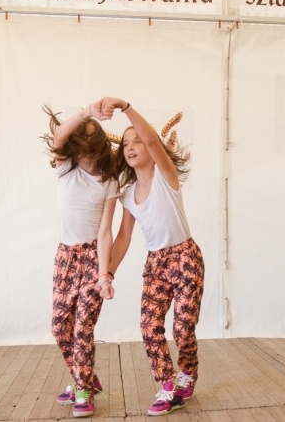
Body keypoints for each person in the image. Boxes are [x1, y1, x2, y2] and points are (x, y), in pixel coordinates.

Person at [101, 97, 204, 417]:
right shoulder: (128, 194)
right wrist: (108, 274)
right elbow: (123, 237)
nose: (131, 146)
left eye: (137, 141)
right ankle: (167, 384)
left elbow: (151, 138)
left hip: (186, 257)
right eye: (126, 144)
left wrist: (126, 107)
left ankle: (188, 370)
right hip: (156, 263)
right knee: (149, 325)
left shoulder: (165, 175)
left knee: (183, 328)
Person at [42, 102, 120, 418]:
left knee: (82, 328)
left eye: (91, 139)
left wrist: (104, 275)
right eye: (81, 138)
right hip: (65, 256)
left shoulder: (108, 181)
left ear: (100, 145)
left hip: (91, 258)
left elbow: (105, 232)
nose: (85, 146)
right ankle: (84, 376)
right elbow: (59, 136)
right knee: (60, 328)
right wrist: (87, 111)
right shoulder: (66, 167)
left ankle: (84, 391)